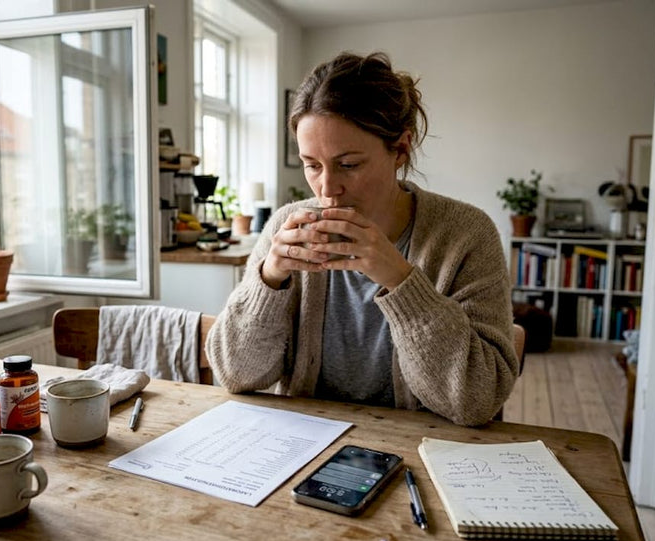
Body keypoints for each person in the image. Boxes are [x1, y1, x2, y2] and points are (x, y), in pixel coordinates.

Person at [205, 51, 519, 426]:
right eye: (312, 165)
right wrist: (269, 280)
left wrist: (402, 282)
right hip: (300, 448)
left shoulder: (466, 234)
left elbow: (475, 401)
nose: (327, 188)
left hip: (424, 453)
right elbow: (236, 376)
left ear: (400, 150)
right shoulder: (286, 226)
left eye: (348, 165)